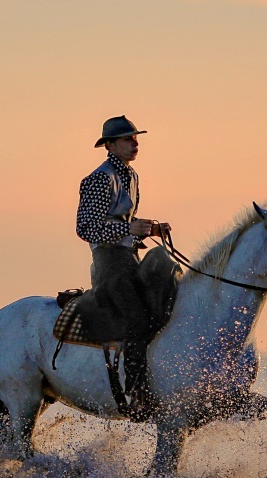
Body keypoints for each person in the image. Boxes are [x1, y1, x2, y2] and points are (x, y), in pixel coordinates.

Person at [76, 115, 170, 412]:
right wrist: (128, 230)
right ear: (111, 145)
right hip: (109, 265)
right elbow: (86, 229)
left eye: (135, 138)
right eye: (128, 139)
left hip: (130, 258)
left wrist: (150, 230)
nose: (135, 143)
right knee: (137, 320)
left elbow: (125, 224)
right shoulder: (98, 179)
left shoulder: (132, 176)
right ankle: (138, 396)